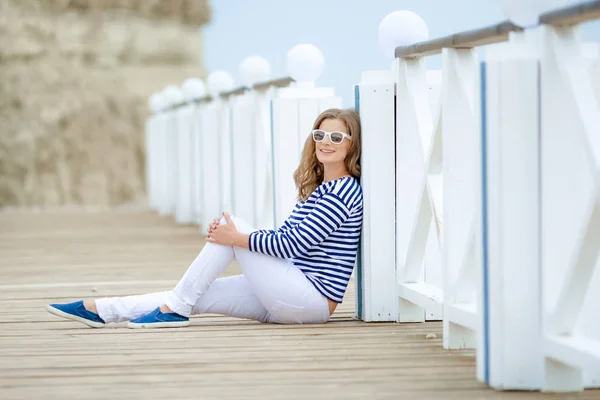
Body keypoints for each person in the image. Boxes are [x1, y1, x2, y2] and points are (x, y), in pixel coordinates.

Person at [46, 108, 363, 329]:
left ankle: (174, 310)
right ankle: (103, 310)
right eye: (320, 134)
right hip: (288, 291)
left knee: (233, 227)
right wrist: (232, 238)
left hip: (310, 301)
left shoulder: (341, 193)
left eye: (337, 138)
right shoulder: (322, 189)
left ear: (351, 146)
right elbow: (288, 238)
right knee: (195, 294)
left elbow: (290, 245)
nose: (326, 142)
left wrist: (234, 238)